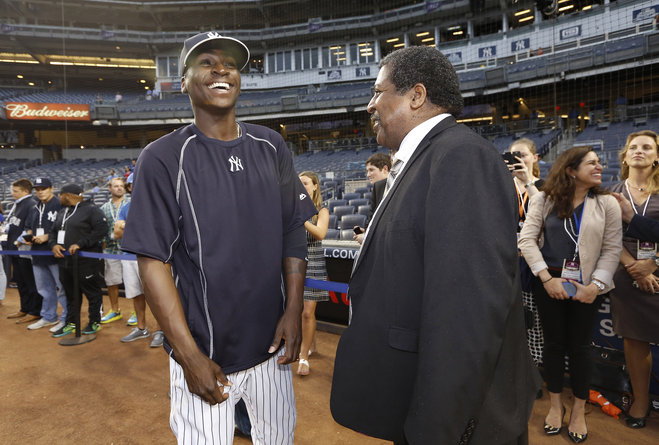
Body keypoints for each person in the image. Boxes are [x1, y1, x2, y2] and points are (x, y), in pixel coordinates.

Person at [330, 46, 539, 445]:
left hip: (452, 422)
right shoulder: (428, 157)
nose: (370, 105)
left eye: (378, 92)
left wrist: (433, 430)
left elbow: (467, 316)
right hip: (423, 403)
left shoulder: (460, 156)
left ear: (416, 96)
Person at [120, 31, 316, 444]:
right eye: (206, 62)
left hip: (271, 350)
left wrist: (293, 309)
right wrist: (189, 357)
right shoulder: (161, 157)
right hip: (205, 351)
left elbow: (292, 229)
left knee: (279, 439)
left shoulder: (271, 144)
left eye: (229, 63)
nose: (222, 69)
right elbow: (153, 260)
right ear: (185, 80)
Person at [519, 146, 622, 443]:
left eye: (600, 162)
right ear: (570, 170)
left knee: (579, 348)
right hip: (548, 282)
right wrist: (546, 278)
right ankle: (555, 406)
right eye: (592, 163)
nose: (599, 166)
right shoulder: (544, 199)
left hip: (588, 286)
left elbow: (612, 249)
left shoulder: (607, 203)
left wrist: (595, 287)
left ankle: (578, 410)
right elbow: (527, 241)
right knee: (552, 345)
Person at [608, 130, 659, 429]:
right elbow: (605, 237)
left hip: (656, 268)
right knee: (635, 341)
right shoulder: (611, 191)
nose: (639, 151)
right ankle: (641, 402)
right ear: (625, 156)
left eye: (647, 147)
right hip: (626, 274)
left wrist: (652, 264)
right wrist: (633, 267)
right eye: (633, 147)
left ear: (656, 156)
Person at [505, 138, 545, 369]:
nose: (518, 160)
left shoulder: (544, 186)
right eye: (513, 155)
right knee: (508, 317)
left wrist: (526, 180)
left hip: (533, 262)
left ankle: (534, 368)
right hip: (506, 262)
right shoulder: (501, 186)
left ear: (535, 158)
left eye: (523, 155)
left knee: (533, 320)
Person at [113, 174, 164, 347]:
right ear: (129, 187)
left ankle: (160, 330)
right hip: (129, 256)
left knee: (157, 296)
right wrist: (125, 227)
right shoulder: (126, 207)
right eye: (133, 184)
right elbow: (116, 233)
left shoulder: (157, 204)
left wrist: (128, 226)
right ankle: (141, 328)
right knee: (137, 295)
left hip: (152, 257)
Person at [49, 184, 107, 337]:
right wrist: (53, 245)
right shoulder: (62, 212)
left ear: (67, 195)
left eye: (60, 195)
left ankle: (95, 321)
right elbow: (53, 232)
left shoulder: (91, 209)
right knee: (70, 294)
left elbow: (101, 231)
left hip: (86, 260)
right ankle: (72, 322)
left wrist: (81, 243)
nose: (59, 198)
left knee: (92, 292)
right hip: (65, 261)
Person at [24, 177, 67, 332]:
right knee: (44, 289)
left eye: (43, 188)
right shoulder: (35, 207)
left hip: (54, 252)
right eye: (38, 189)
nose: (40, 192)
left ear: (52, 188)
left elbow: (64, 228)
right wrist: (29, 237)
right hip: (37, 253)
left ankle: (66, 319)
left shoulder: (60, 205)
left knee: (62, 288)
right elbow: (29, 226)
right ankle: (49, 316)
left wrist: (47, 237)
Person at [297, 171, 329, 375]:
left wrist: (301, 220)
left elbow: (320, 234)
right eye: (299, 183)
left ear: (315, 186)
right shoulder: (292, 207)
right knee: (300, 311)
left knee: (307, 312)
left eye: (306, 183)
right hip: (295, 264)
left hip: (314, 263)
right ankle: (312, 343)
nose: (302, 186)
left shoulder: (321, 210)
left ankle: (303, 357)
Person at [4, 178, 42, 323]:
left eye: (16, 191)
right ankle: (24, 308)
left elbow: (29, 228)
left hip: (25, 249)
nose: (13, 193)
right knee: (21, 280)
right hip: (14, 249)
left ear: (26, 191)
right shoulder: (18, 204)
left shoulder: (31, 204)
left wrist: (18, 242)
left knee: (30, 281)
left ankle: (35, 311)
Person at [99, 177, 130, 325]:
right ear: (109, 189)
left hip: (130, 251)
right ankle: (115, 310)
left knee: (135, 284)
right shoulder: (104, 208)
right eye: (116, 186)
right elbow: (102, 231)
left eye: (121, 186)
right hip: (111, 249)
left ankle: (137, 312)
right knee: (112, 282)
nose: (119, 188)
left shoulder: (132, 204)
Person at [354, 152, 391, 243]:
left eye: (371, 170)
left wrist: (367, 238)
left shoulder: (392, 188)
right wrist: (367, 232)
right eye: (367, 171)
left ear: (385, 169)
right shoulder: (378, 189)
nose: (368, 175)